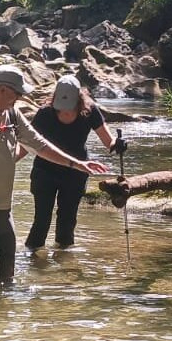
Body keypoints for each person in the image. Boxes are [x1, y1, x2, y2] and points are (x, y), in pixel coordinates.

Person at [0, 64, 109, 290]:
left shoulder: (11, 112)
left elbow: (38, 145)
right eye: (17, 94)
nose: (20, 98)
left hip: (4, 211)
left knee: (7, 282)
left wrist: (76, 164)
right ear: (1, 90)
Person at [23, 74, 125, 252]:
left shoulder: (90, 111)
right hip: (44, 172)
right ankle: (34, 261)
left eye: (69, 108)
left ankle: (65, 265)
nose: (65, 112)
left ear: (79, 100)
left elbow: (108, 141)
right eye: (61, 108)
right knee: (41, 220)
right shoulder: (45, 113)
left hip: (76, 173)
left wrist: (118, 144)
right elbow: (27, 144)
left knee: (67, 221)